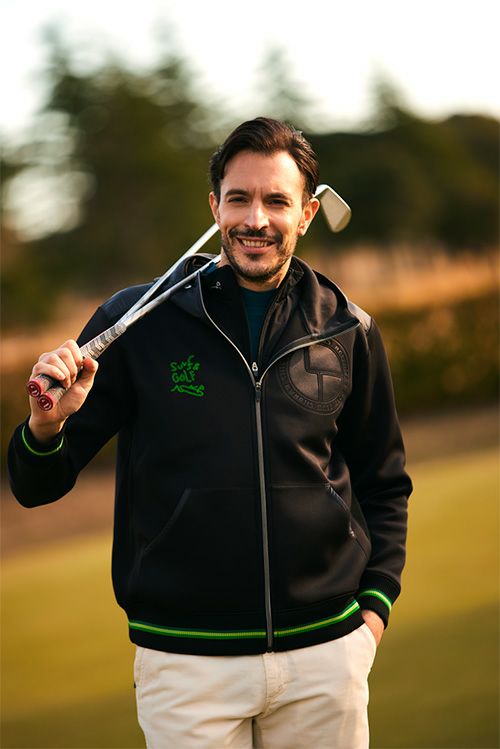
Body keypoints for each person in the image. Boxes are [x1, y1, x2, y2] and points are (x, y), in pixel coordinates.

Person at [8, 117, 412, 749]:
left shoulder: (347, 329)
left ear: (307, 213)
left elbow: (384, 483)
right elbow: (37, 485)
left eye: (276, 201)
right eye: (239, 198)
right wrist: (46, 424)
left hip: (326, 656)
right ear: (214, 206)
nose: (256, 219)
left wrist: (373, 614)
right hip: (186, 665)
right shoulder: (137, 321)